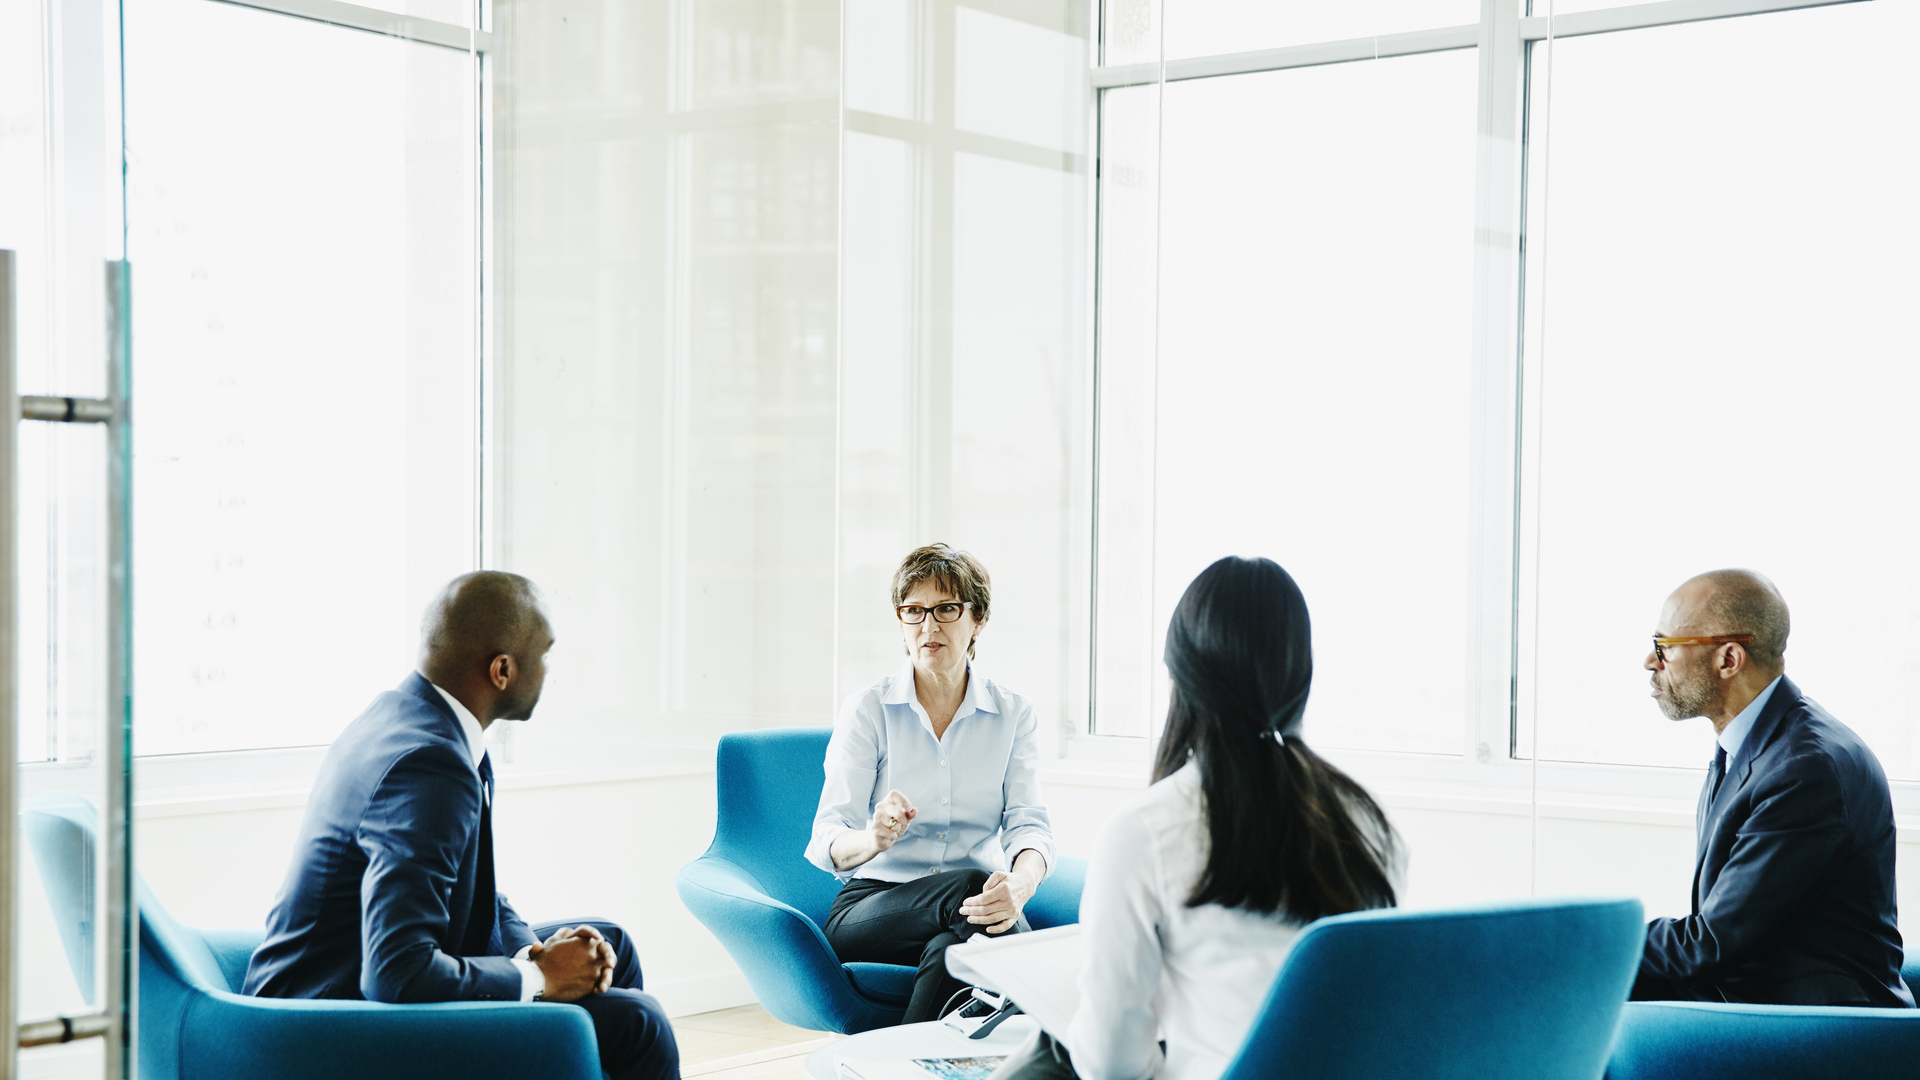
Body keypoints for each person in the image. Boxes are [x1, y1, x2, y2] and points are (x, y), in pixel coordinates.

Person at [244, 572, 681, 1080]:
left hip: (349, 987)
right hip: (328, 1026)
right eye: (545, 655)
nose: (549, 671)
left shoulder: (407, 718)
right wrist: (540, 975)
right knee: (639, 1022)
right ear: (502, 670)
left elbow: (472, 889)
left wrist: (529, 951)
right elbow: (395, 973)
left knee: (611, 946)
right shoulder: (432, 765)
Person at [1061, 556, 1402, 1080]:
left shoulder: (1144, 831)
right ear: (1301, 675)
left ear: (1179, 677)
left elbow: (1110, 1064)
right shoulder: (1366, 822)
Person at [1635, 569, 1911, 1007]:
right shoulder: (1755, 743)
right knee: (1573, 993)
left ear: (1728, 659)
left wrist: (1596, 938)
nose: (1651, 663)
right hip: (1755, 992)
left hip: (1818, 1027)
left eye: (1663, 647)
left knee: (1574, 988)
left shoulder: (1805, 770)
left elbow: (1711, 945)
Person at [805, 544, 1056, 1024]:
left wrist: (1022, 885)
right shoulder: (868, 709)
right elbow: (827, 837)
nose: (928, 625)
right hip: (873, 907)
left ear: (977, 618)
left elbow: (1031, 825)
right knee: (968, 887)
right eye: (913, 611)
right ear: (900, 621)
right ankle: (1042, 991)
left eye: (946, 609)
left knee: (951, 947)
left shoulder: (1013, 714)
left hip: (972, 914)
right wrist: (874, 839)